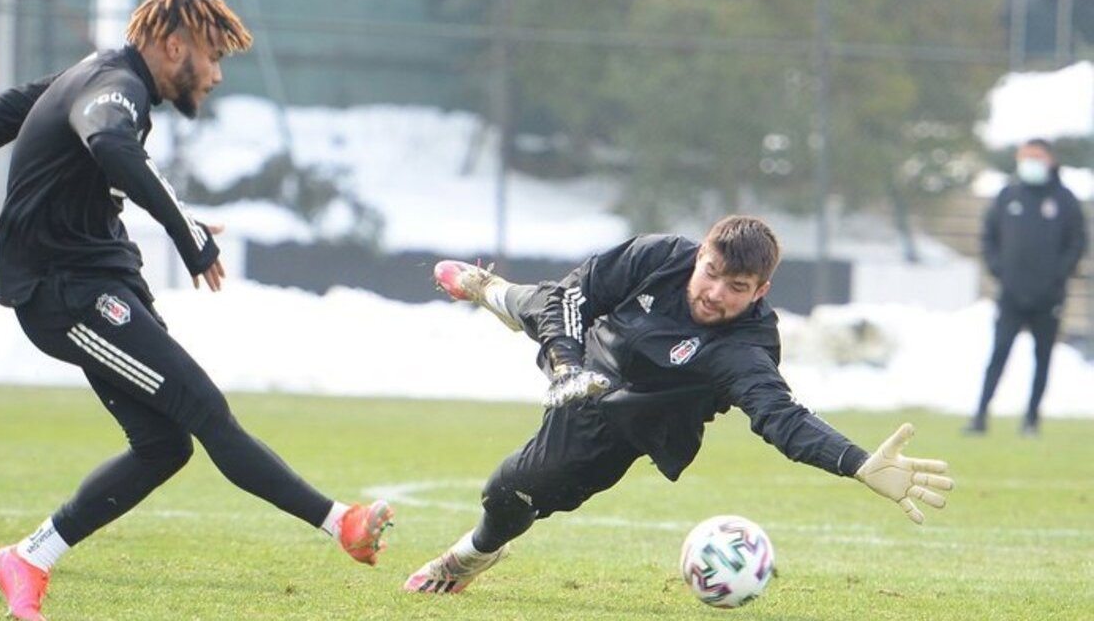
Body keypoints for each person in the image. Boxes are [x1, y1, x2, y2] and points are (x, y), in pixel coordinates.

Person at [0, 0, 392, 619]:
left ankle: (29, 558)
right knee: (203, 407)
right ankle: (341, 522)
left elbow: (15, 107)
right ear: (172, 45)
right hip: (64, 294)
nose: (215, 73)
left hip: (98, 280)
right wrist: (189, 235)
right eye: (210, 55)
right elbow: (113, 147)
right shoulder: (114, 86)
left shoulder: (101, 74)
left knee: (165, 445)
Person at [404, 216, 955, 594]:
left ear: (759, 291)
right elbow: (576, 295)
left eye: (736, 287)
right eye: (711, 272)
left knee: (508, 491)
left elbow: (780, 417)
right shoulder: (660, 256)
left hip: (624, 416)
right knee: (550, 301)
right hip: (593, 348)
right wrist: (568, 367)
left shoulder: (745, 348)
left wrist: (856, 461)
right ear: (701, 255)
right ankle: (491, 290)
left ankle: (473, 554)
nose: (715, 292)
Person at [966, 139, 1086, 437]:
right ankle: (980, 416)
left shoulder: (1064, 200)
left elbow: (1077, 243)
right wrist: (999, 270)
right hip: (1011, 294)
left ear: (1050, 160)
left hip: (1049, 296)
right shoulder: (1008, 196)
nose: (1031, 162)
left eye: (1037, 156)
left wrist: (1058, 276)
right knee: (999, 353)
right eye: (1026, 156)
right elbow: (989, 237)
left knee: (1042, 358)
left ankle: (1031, 419)